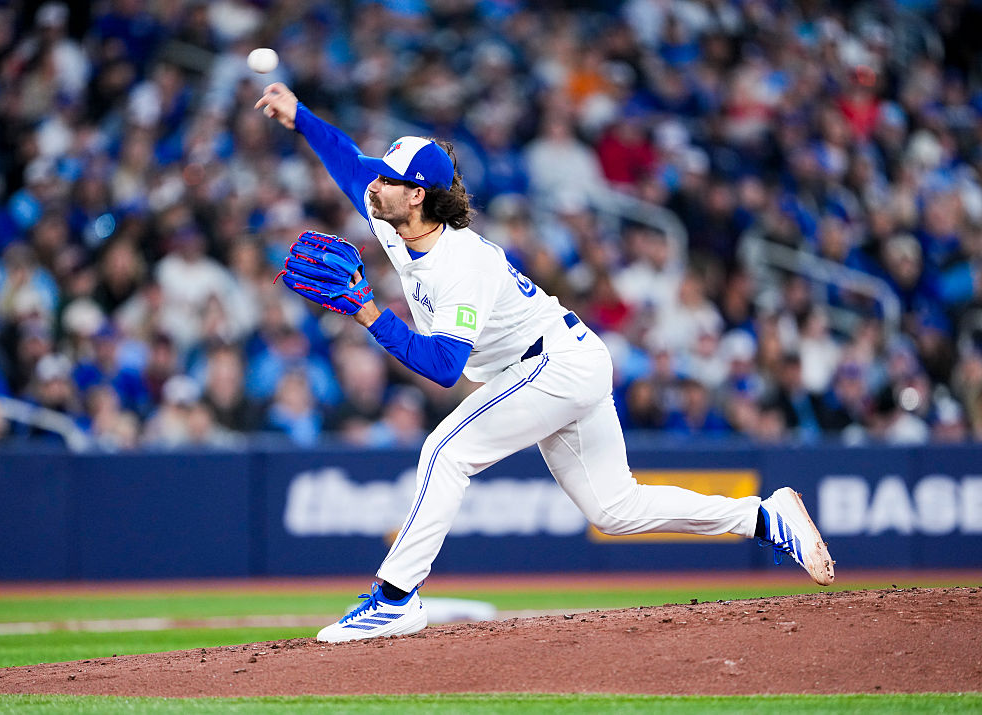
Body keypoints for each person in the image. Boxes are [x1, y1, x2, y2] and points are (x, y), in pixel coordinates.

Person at [255, 82, 835, 643]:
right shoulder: (392, 214)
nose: (374, 185)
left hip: (554, 363)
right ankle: (764, 518)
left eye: (391, 179)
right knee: (615, 508)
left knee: (445, 451)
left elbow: (443, 368)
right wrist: (300, 114)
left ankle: (395, 597)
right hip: (556, 361)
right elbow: (347, 161)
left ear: (418, 196)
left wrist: (368, 313)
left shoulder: (462, 266)